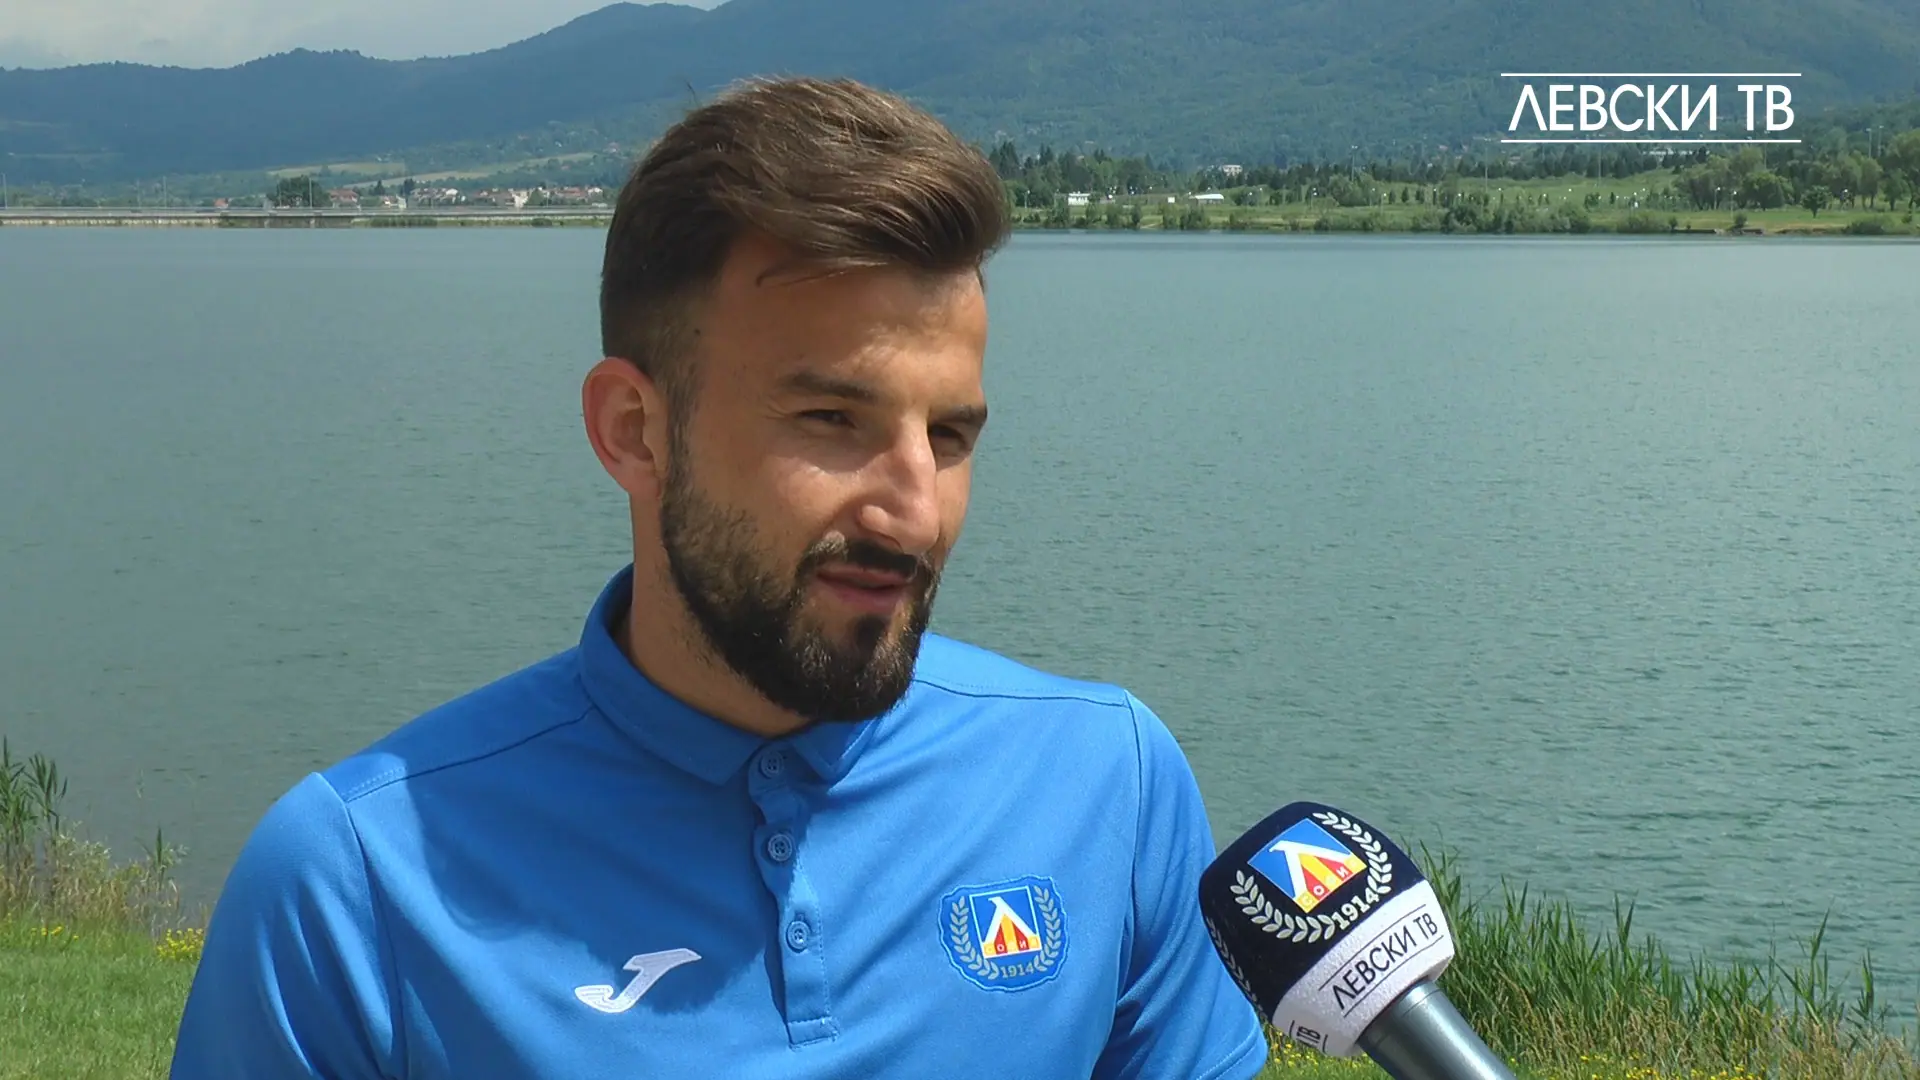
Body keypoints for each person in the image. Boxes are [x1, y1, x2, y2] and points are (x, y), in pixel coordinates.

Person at [171, 75, 1267, 1080]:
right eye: (831, 420)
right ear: (634, 430)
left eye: (948, 436)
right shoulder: (356, 885)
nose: (915, 514)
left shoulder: (1106, 786)